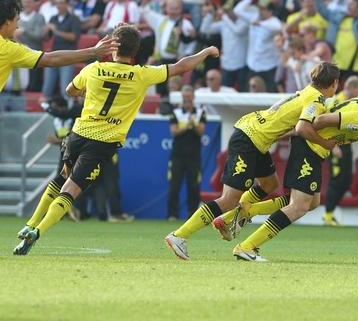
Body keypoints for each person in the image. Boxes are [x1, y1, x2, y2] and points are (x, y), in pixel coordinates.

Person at [13, 24, 220, 255]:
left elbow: (70, 90)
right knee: (71, 189)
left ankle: (31, 222)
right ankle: (37, 231)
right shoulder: (142, 74)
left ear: (113, 47)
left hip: (78, 133)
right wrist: (205, 51)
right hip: (102, 142)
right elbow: (181, 66)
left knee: (63, 176)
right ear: (136, 51)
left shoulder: (93, 69)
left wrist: (84, 92)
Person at [164, 62, 340, 260]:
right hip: (249, 139)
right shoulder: (317, 100)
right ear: (334, 83)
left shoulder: (306, 92)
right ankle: (180, 235)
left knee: (270, 183)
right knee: (229, 199)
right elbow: (302, 129)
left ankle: (232, 218)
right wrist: (325, 143)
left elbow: (292, 126)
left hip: (256, 137)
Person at [229, 89, 358, 261]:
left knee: (312, 203)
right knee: (299, 206)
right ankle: (247, 247)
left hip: (314, 150)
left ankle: (249, 210)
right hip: (309, 149)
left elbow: (330, 112)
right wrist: (301, 136)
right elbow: (319, 120)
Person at [322, 76, 358, 226]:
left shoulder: (352, 102)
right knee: (336, 180)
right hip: (335, 145)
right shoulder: (336, 101)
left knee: (347, 182)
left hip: (345, 146)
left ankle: (330, 214)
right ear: (351, 88)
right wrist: (334, 147)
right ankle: (328, 216)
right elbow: (327, 125)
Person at [167, 85, 206, 221]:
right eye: (184, 97)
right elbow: (174, 132)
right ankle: (173, 215)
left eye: (188, 97)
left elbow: (201, 131)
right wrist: (187, 126)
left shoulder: (201, 112)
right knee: (174, 186)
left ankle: (192, 216)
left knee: (193, 186)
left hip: (194, 156)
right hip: (177, 155)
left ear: (193, 97)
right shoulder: (176, 112)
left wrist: (193, 124)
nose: (187, 99)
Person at [234, 0, 283, 92]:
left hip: (269, 65)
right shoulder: (254, 17)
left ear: (270, 12)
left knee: (271, 93)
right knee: (249, 92)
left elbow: (278, 28)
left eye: (263, 10)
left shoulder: (273, 21)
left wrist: (260, 24)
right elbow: (237, 10)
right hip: (253, 64)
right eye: (259, 9)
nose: (260, 11)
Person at [41, 0, 82, 100]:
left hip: (69, 56)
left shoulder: (74, 19)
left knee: (66, 88)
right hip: (54, 54)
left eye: (62, 3)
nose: (59, 6)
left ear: (67, 4)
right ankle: (47, 108)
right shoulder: (53, 18)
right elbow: (47, 38)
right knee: (47, 88)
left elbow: (74, 37)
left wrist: (57, 32)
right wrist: (45, 32)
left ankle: (67, 112)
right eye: (58, 3)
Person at [13, 0, 45, 92]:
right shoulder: (16, 17)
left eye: (29, 2)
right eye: (25, 2)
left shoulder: (39, 17)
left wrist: (25, 31)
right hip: (20, 54)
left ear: (34, 3)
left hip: (35, 54)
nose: (27, 4)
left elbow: (39, 36)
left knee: (33, 84)